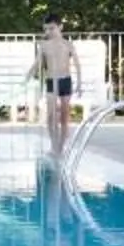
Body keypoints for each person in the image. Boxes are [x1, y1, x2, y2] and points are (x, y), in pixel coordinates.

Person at [36, 12, 76, 147]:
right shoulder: (44, 45)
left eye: (52, 28)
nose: (49, 31)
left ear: (61, 27)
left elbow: (77, 64)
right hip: (51, 81)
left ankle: (61, 146)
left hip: (65, 80)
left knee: (64, 117)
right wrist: (28, 76)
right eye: (46, 29)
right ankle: (54, 145)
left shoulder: (68, 44)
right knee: (50, 117)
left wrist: (80, 83)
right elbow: (38, 64)